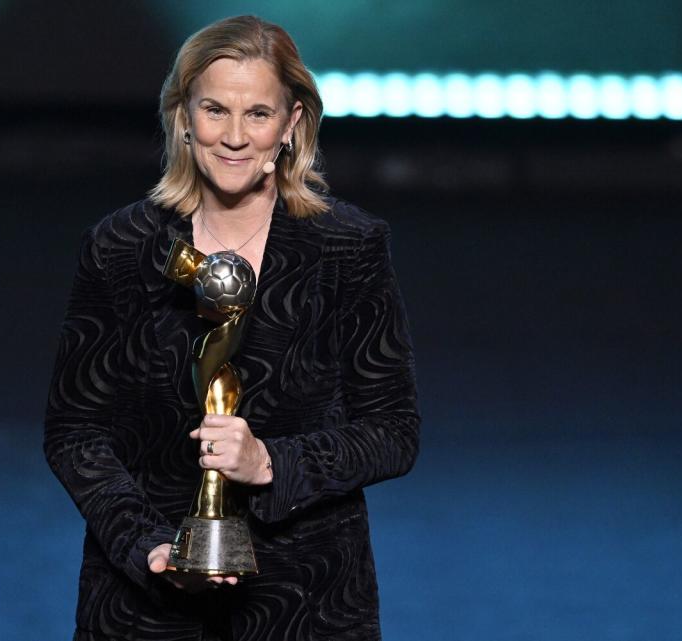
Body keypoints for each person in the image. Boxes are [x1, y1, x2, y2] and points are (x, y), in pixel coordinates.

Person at [44, 14, 420, 641]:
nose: (235, 138)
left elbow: (394, 432)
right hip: (144, 606)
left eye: (258, 114)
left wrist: (272, 462)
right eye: (215, 110)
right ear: (182, 117)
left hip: (308, 601)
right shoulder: (119, 248)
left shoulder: (347, 248)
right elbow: (74, 433)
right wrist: (146, 546)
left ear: (292, 124)